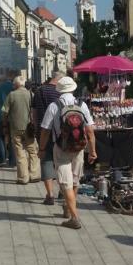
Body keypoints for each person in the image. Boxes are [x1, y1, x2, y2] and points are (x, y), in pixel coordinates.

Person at [39, 76, 97, 230]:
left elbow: (45, 130)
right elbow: (90, 130)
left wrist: (42, 148)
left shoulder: (54, 106)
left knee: (66, 183)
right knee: (75, 181)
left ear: (59, 90)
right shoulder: (81, 104)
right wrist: (92, 151)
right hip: (78, 148)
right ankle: (68, 207)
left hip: (61, 148)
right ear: (73, 88)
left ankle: (74, 217)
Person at [3, 76, 40, 185]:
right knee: (32, 151)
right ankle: (34, 175)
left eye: (14, 84)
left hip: (15, 128)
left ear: (16, 85)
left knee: (20, 153)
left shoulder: (11, 95)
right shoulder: (31, 94)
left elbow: (5, 111)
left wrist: (5, 124)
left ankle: (23, 177)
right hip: (29, 128)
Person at [33, 70, 62, 205]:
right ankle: (63, 190)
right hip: (59, 131)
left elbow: (34, 112)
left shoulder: (39, 91)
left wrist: (35, 127)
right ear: (59, 79)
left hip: (43, 129)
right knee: (61, 161)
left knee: (46, 160)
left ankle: (50, 194)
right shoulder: (60, 92)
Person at [0, 71, 16, 167]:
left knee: (0, 137)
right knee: (12, 138)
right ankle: (12, 161)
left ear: (0, 80)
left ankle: (2, 160)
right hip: (12, 116)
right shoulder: (13, 87)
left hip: (0, 116)